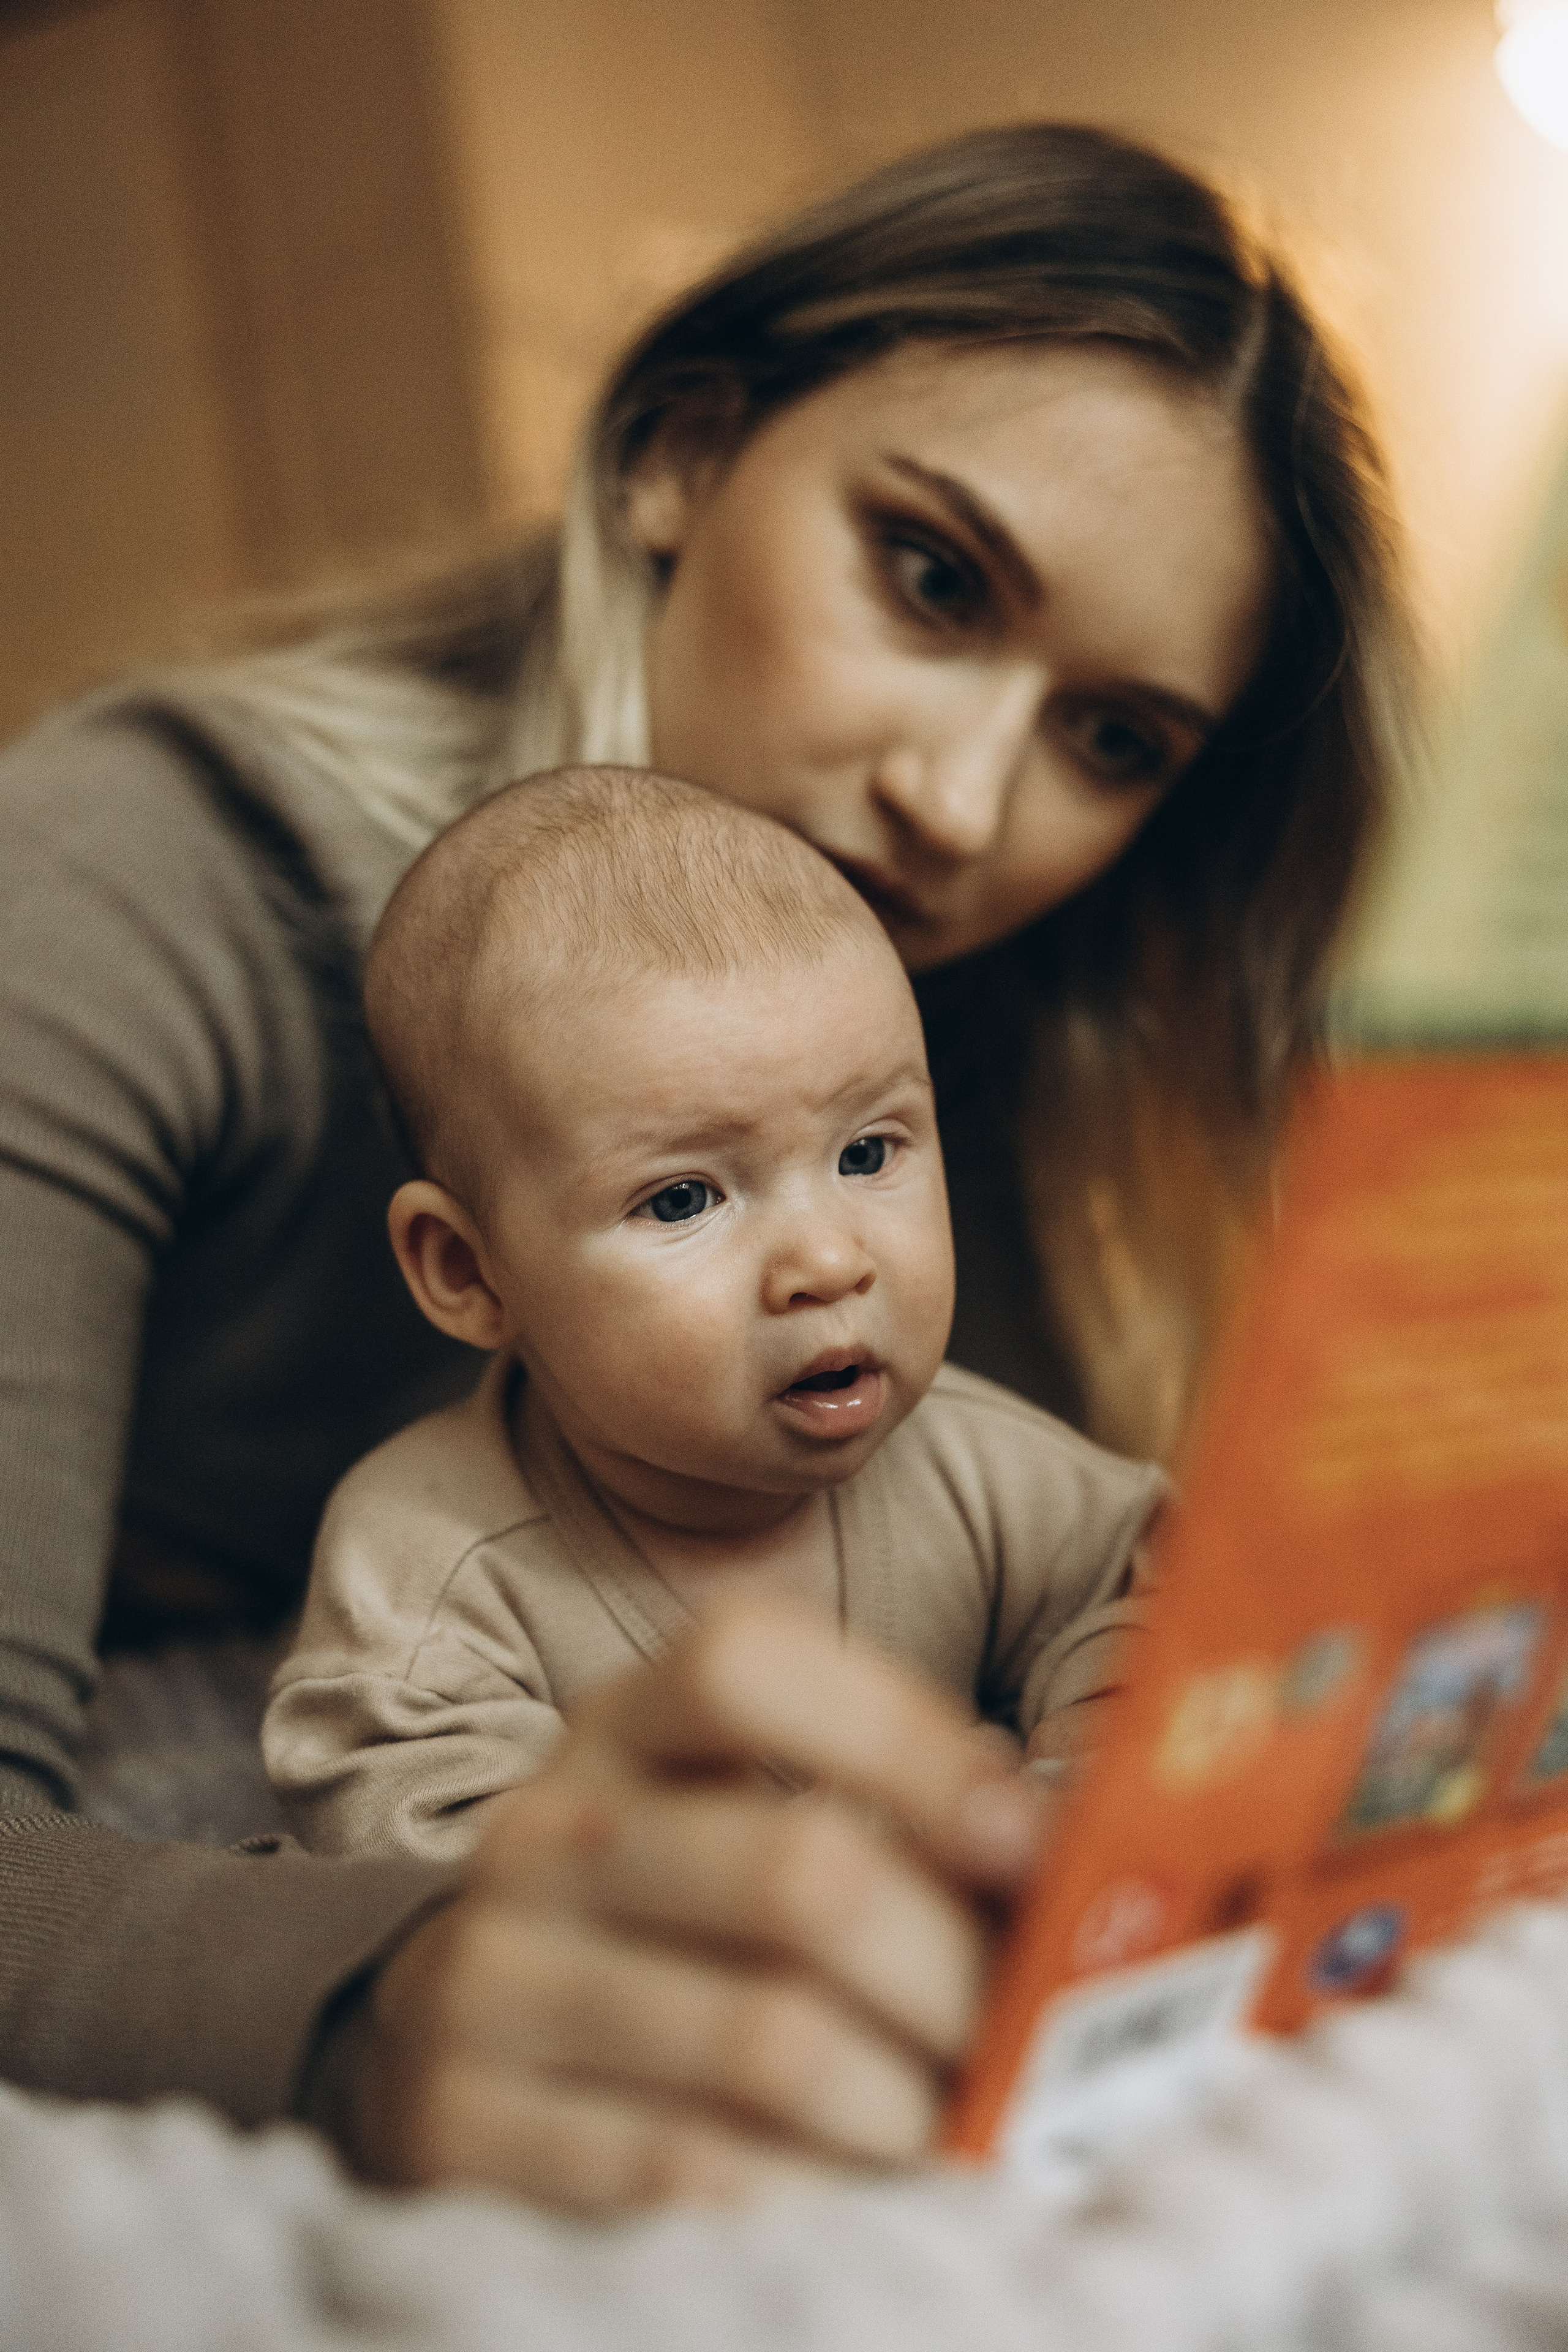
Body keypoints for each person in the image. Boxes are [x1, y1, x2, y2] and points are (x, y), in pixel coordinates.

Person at [0, 122, 1414, 2212]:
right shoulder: (130, 882)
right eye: (931, 578)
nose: (958, 803)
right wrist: (378, 2004)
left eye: (1112, 739)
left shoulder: (960, 1030)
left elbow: (1038, 1603)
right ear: (678, 452)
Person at [261, 767, 1163, 1861]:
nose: (828, 1261)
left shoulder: (980, 1466)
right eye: (684, 1199)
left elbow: (1151, 1587)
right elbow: (405, 1847)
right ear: (470, 1271)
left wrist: (1084, 1763)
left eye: (867, 1153)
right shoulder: (431, 1560)